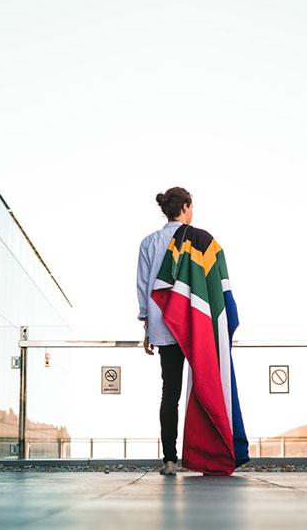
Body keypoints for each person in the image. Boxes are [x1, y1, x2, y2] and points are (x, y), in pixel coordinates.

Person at [136, 187, 193, 476]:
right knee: (201, 390)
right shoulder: (196, 239)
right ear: (185, 206)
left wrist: (147, 325)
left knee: (170, 393)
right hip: (194, 326)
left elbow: (143, 286)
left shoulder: (148, 243)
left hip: (163, 326)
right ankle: (203, 456)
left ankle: (170, 459)